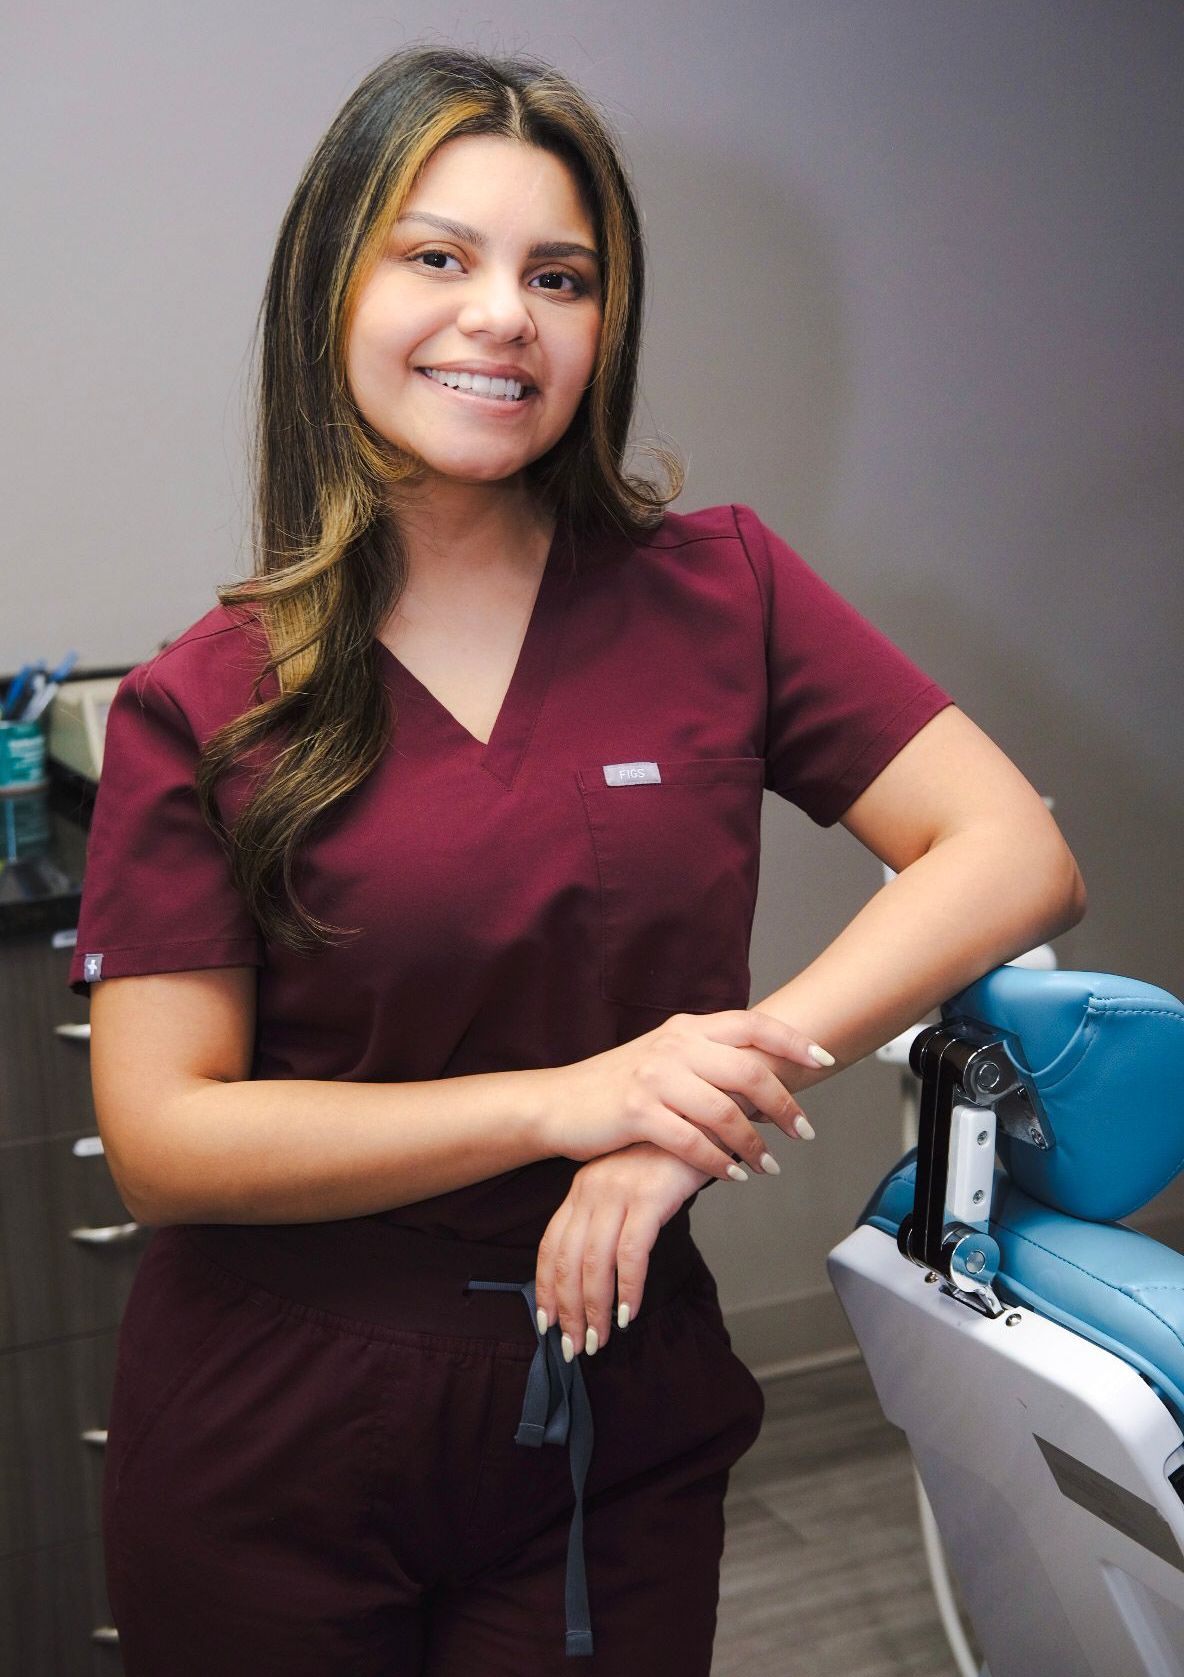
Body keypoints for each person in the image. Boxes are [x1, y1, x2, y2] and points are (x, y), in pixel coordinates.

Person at [71, 42, 1086, 1677]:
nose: (503, 316)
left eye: (561, 275)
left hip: (613, 1399)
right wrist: (574, 1098)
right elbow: (165, 1135)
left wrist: (677, 1124)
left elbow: (1010, 847)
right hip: (279, 1443)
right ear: (332, 286)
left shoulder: (721, 590)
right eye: (438, 256)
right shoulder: (210, 697)